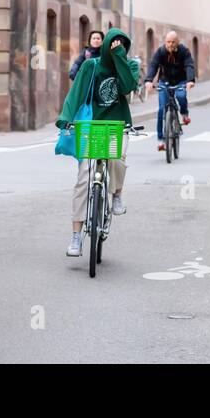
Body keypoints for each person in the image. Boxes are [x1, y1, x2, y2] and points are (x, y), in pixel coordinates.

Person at [59, 28, 140, 257]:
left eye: (121, 44)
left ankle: (116, 194)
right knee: (84, 177)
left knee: (117, 159)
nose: (116, 46)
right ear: (103, 44)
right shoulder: (90, 65)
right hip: (93, 126)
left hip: (118, 125)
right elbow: (76, 93)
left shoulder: (129, 65)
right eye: (112, 43)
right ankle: (76, 236)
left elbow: (127, 87)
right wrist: (65, 118)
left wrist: (120, 58)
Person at [144, 31, 197, 151]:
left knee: (181, 96)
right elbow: (153, 65)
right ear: (165, 42)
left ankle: (184, 113)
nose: (170, 44)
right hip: (165, 81)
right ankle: (161, 140)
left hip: (181, 81)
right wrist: (148, 80)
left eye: (173, 42)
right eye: (168, 41)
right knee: (162, 110)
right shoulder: (161, 51)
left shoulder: (184, 51)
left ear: (178, 42)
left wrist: (190, 80)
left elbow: (189, 65)